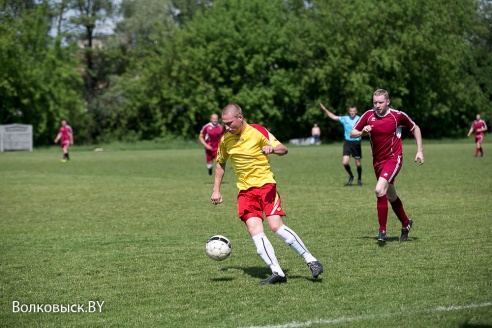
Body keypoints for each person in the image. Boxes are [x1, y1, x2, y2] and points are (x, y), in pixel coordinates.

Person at [211, 104, 323, 284]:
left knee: (276, 226)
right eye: (224, 124)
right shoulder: (225, 140)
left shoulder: (258, 131)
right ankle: (277, 272)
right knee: (255, 231)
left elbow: (283, 149)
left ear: (240, 117)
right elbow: (220, 163)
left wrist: (272, 149)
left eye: (230, 123)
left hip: (265, 185)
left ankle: (311, 260)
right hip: (245, 191)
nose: (227, 127)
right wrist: (216, 189)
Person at [350, 89, 424, 242]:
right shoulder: (368, 115)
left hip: (393, 159)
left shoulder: (397, 116)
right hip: (377, 162)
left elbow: (415, 128)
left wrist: (419, 151)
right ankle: (406, 223)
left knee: (379, 189)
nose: (377, 105)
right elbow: (352, 133)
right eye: (375, 102)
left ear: (388, 102)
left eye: (380, 102)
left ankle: (382, 231)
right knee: (390, 195)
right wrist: (363, 132)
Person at [320, 103, 363, 186]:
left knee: (358, 164)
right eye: (350, 111)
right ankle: (351, 176)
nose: (352, 113)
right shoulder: (345, 119)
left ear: (356, 111)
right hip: (347, 142)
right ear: (349, 112)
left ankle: (359, 179)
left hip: (356, 143)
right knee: (345, 162)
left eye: (353, 111)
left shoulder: (360, 119)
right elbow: (333, 117)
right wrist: (325, 109)